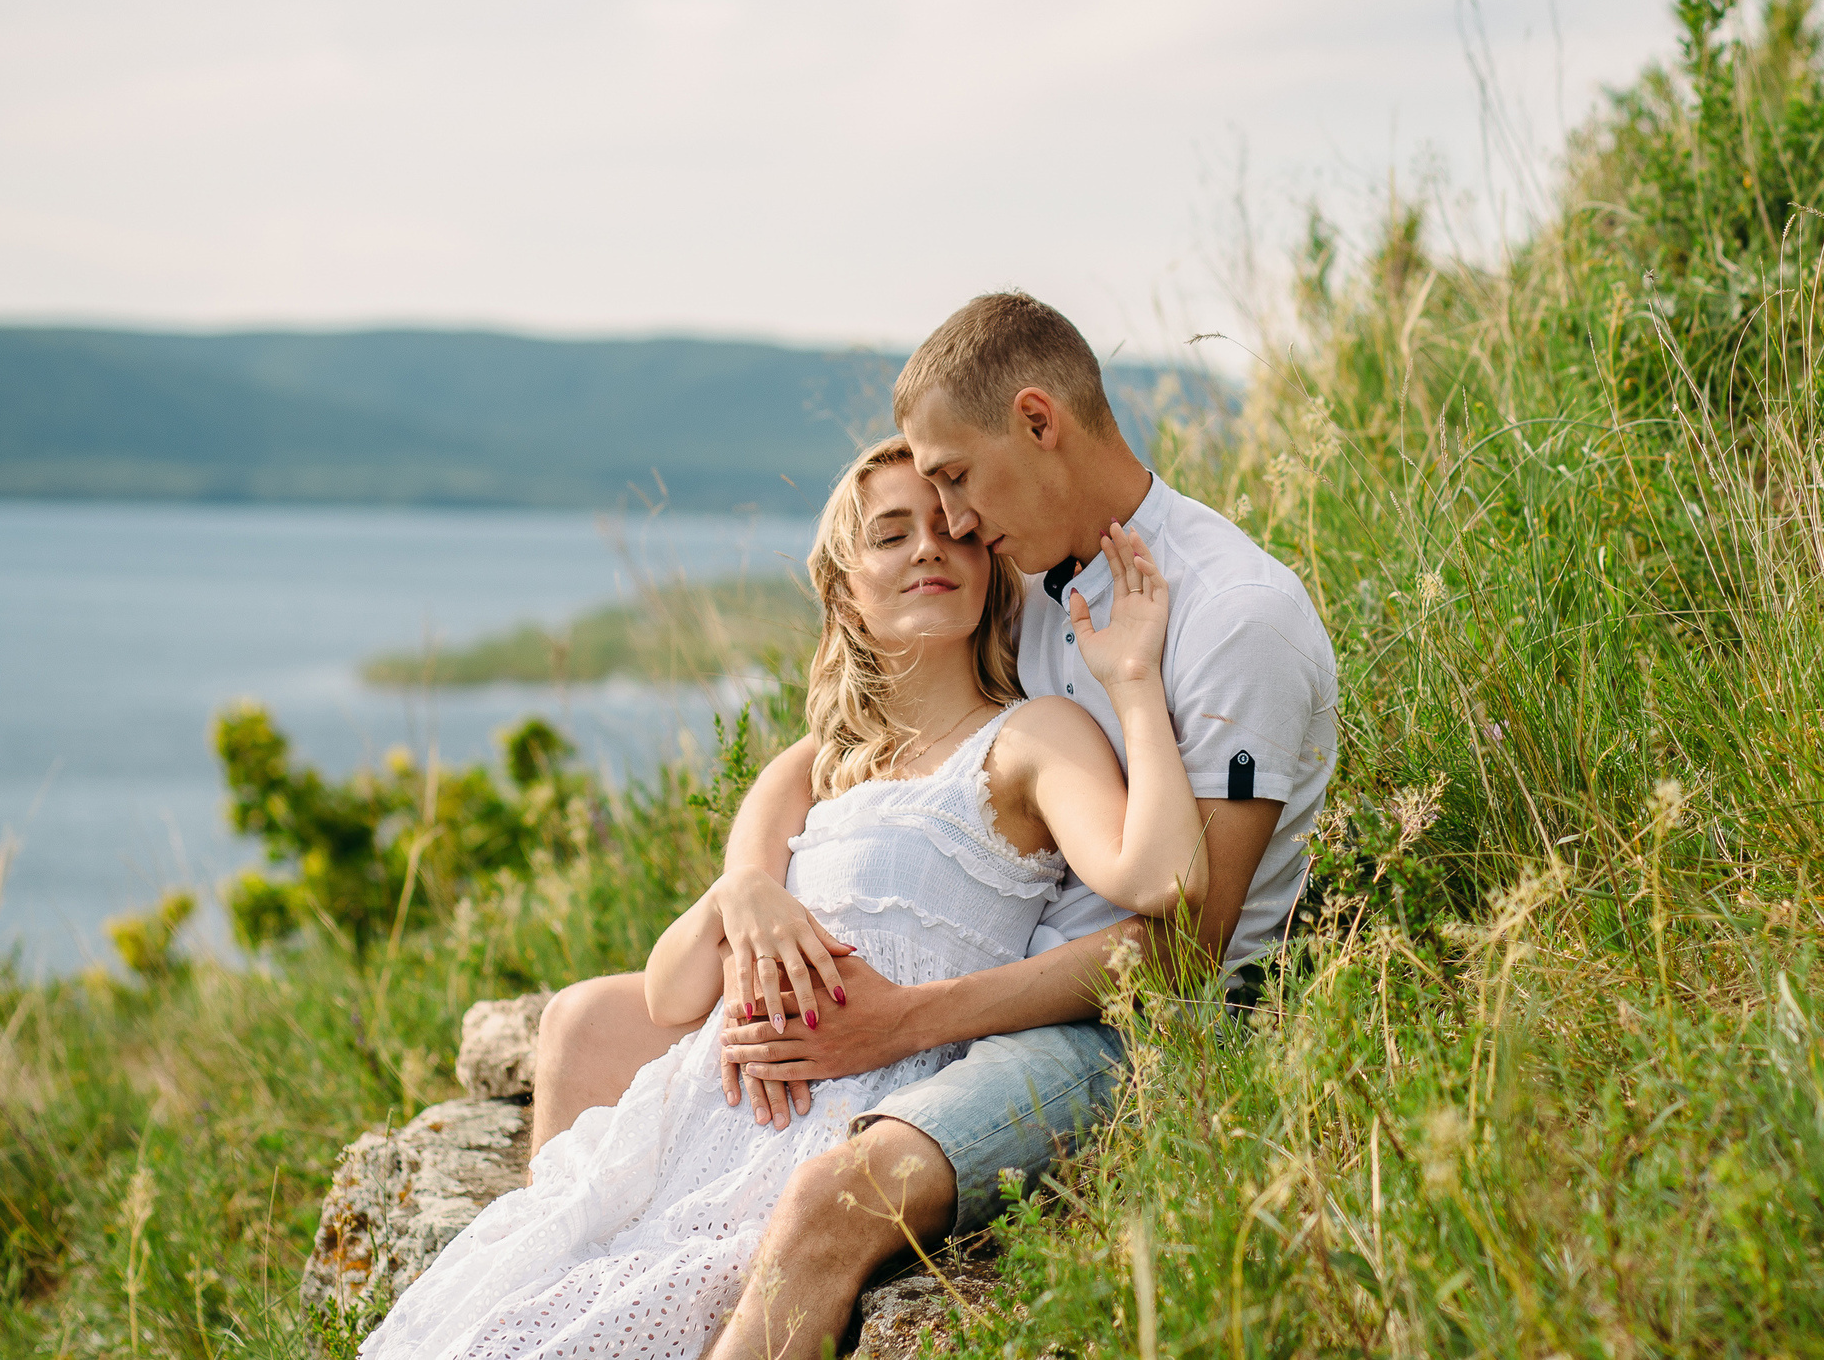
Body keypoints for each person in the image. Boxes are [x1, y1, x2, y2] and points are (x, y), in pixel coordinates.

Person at [526, 292, 1339, 1360]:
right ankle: (542, 1295)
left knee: (833, 1198)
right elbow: (861, 748)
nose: (948, 523)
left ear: (1038, 422)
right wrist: (750, 877)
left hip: (1124, 1025)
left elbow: (1186, 947)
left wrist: (902, 1021)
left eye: (954, 478)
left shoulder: (1233, 615)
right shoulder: (1029, 573)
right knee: (586, 1025)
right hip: (971, 964)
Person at [362, 436, 1207, 1357]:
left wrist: (1133, 682)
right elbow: (672, 992)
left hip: (873, 1090)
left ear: (989, 569)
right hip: (724, 1100)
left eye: (952, 531)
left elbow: (1163, 878)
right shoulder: (812, 766)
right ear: (845, 591)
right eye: (891, 534)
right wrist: (739, 894)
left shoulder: (1030, 737)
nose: (929, 547)